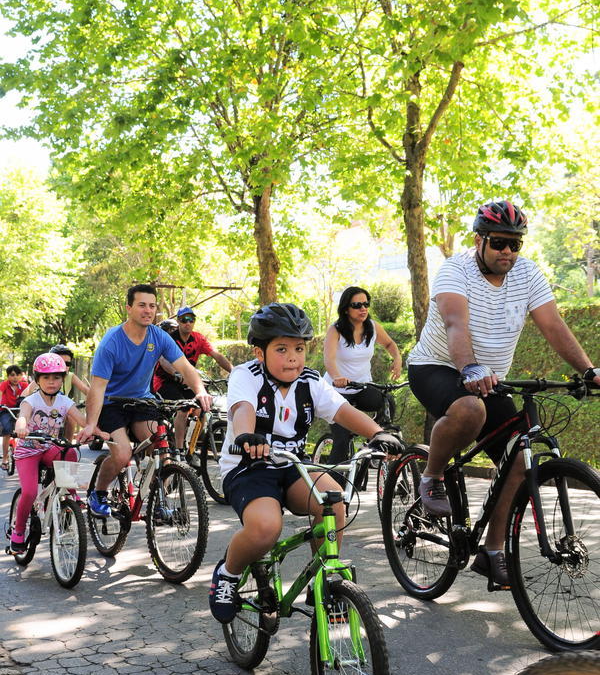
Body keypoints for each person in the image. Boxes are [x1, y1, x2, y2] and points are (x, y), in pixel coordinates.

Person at [406, 199, 600, 588]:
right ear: (479, 240)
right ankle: (432, 475)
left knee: (519, 455)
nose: (507, 252)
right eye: (498, 243)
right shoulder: (455, 270)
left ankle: (492, 552)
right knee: (469, 411)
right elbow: (454, 322)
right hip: (436, 366)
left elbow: (554, 326)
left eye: (515, 244)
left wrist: (589, 371)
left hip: (491, 378)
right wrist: (469, 368)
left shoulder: (528, 274)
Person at [208, 302, 402, 623]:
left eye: (299, 348)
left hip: (293, 465)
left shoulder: (310, 382)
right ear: (260, 353)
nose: (293, 357)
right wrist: (246, 436)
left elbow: (343, 412)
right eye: (281, 349)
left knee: (334, 500)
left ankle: (323, 582)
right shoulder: (246, 375)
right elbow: (242, 409)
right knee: (266, 528)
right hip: (249, 467)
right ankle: (228, 573)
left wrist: (378, 434)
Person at [77, 284, 213, 518]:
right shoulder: (112, 341)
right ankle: (98, 493)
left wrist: (199, 391)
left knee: (162, 450)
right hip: (111, 403)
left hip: (141, 402)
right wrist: (90, 423)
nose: (148, 310)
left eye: (152, 306)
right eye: (142, 305)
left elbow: (185, 367)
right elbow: (97, 389)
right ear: (129, 308)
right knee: (121, 455)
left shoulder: (158, 336)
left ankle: (154, 499)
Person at [8, 353, 99, 554]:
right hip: (28, 451)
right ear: (37, 379)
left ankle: (68, 493)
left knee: (71, 452)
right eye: (46, 378)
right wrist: (22, 427)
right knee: (30, 492)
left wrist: (98, 432)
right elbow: (22, 417)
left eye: (56, 377)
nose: (51, 382)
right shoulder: (30, 401)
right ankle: (19, 531)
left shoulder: (64, 401)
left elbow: (83, 421)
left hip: (49, 447)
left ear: (62, 379)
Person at [323, 286, 403, 465]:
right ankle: (334, 488)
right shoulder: (335, 330)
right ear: (346, 309)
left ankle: (374, 441)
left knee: (386, 401)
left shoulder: (372, 327)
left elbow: (390, 344)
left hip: (361, 386)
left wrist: (397, 359)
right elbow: (329, 360)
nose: (363, 308)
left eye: (366, 304)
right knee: (342, 439)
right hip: (337, 390)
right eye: (357, 305)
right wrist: (337, 377)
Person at [152, 305, 233, 450]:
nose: (188, 323)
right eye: (184, 320)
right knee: (183, 408)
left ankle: (191, 446)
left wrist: (234, 371)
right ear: (178, 321)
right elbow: (163, 361)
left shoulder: (198, 339)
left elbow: (217, 356)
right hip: (165, 381)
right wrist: (176, 374)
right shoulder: (169, 338)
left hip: (186, 382)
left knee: (203, 408)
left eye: (191, 319)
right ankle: (179, 450)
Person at [22, 345, 91, 442]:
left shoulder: (70, 376)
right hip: (43, 410)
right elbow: (25, 393)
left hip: (63, 408)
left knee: (71, 417)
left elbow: (87, 391)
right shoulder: (42, 378)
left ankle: (68, 445)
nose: (64, 366)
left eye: (67, 363)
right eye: (60, 362)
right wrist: (22, 403)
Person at [0, 365, 28, 470]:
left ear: (21, 376)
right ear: (8, 376)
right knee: (7, 431)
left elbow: (30, 396)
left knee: (29, 430)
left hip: (21, 411)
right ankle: (5, 459)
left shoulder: (25, 385)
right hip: (6, 410)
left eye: (18, 374)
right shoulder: (4, 385)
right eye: (12, 375)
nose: (15, 377)